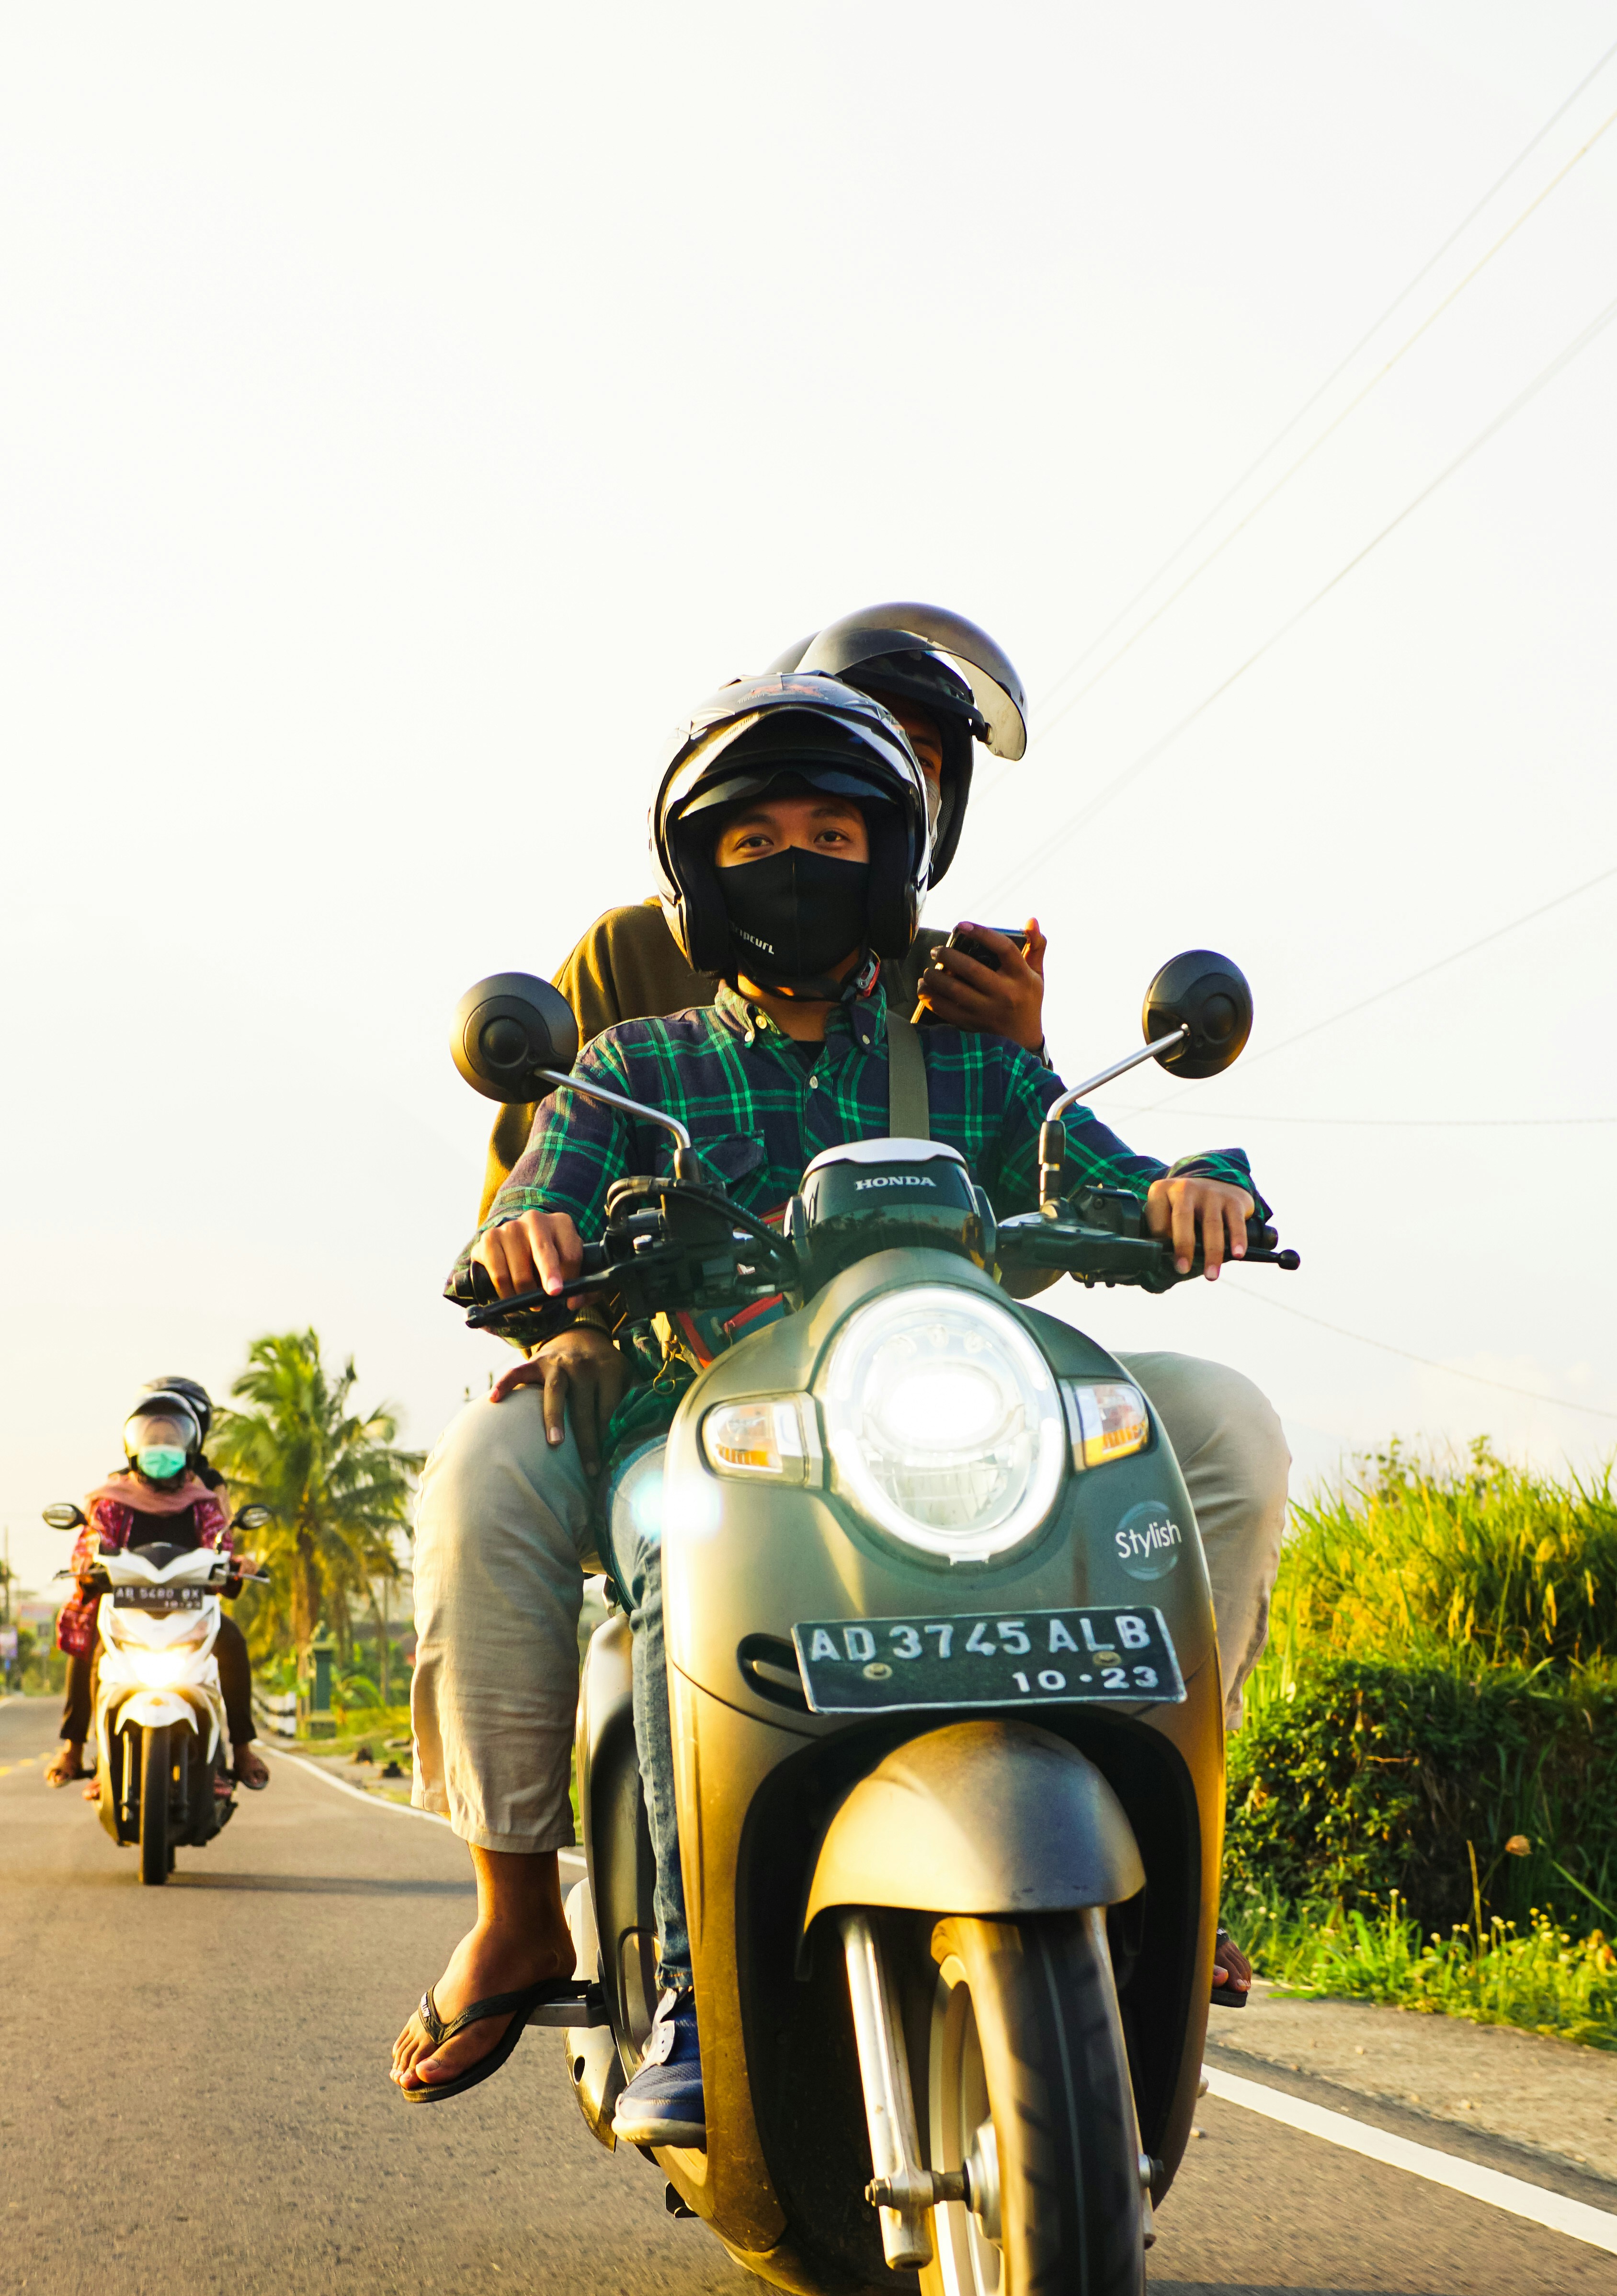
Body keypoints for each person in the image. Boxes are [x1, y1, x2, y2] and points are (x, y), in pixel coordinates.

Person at [394, 674, 1281, 2126]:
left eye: (833, 832)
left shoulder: (981, 1069)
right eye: (754, 844)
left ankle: (1180, 1874)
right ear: (698, 878)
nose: (798, 865)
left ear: (892, 863)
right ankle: (669, 1979)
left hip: (952, 1442)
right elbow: (536, 1207)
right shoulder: (635, 1073)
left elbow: (1103, 1173)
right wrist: (526, 1244)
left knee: (1225, 1418)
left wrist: (1194, 1195)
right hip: (716, 1439)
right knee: (660, 1518)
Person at [476, 605, 1051, 1220]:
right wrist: (558, 1274)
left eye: (920, 756)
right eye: (865, 735)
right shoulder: (633, 963)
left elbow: (1030, 1255)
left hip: (913, 1314)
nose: (894, 763)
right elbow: (529, 1231)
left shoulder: (954, 979)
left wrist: (1023, 1047)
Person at [47, 1391, 269, 1793]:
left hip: (189, 1608)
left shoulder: (202, 1501)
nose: (162, 1449)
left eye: (172, 1440)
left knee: (232, 1641)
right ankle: (77, 1751)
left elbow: (222, 1546)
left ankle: (242, 1748)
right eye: (154, 1439)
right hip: (128, 1608)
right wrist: (87, 1564)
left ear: (189, 1446)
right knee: (89, 1647)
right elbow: (90, 1543)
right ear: (134, 1446)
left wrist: (237, 1565)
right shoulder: (112, 1499)